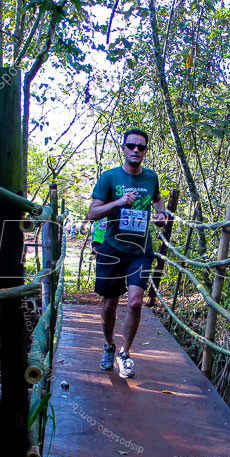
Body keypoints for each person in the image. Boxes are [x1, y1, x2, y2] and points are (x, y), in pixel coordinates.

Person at [86, 129, 167, 377]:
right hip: (112, 249)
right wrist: (118, 203)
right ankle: (109, 346)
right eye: (131, 146)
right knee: (110, 304)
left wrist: (161, 214)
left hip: (140, 251)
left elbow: (157, 200)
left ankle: (125, 353)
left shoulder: (151, 178)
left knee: (134, 303)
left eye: (141, 147)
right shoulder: (109, 178)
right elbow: (92, 213)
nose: (136, 150)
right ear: (123, 148)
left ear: (145, 151)